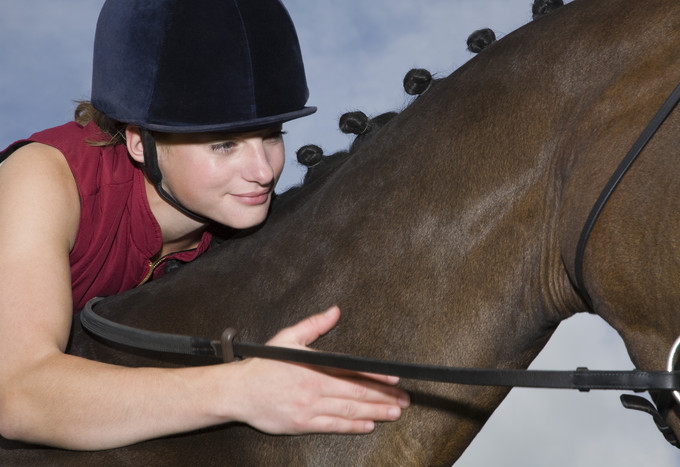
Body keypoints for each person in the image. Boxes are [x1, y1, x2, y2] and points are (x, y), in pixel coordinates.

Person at [0, 0, 409, 451]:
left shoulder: (239, 223)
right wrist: (241, 392)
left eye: (272, 135)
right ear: (140, 142)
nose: (264, 170)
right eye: (225, 144)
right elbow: (18, 395)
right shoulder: (43, 178)